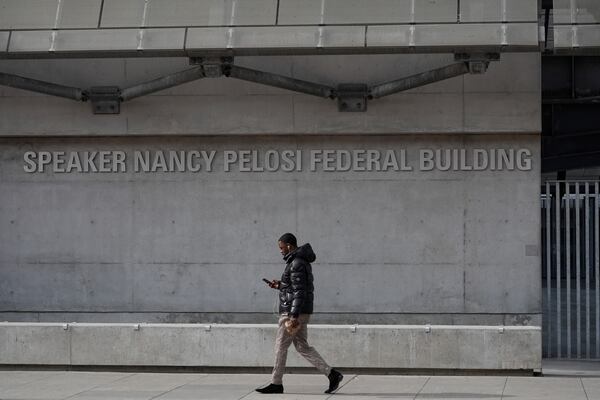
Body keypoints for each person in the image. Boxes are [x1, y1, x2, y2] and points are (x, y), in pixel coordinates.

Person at [256, 233, 343, 394]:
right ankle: (332, 374)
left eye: (281, 247)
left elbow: (300, 291)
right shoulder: (299, 261)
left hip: (292, 313)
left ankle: (276, 383)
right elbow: (295, 288)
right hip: (300, 311)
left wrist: (293, 316)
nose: (280, 251)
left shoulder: (296, 263)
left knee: (280, 346)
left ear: (289, 245)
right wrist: (280, 285)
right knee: (303, 347)